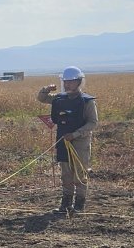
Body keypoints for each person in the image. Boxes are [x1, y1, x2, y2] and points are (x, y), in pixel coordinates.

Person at [37, 67, 97, 214]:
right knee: (65, 173)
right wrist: (46, 89)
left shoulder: (87, 102)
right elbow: (42, 98)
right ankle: (66, 203)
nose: (68, 84)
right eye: (66, 81)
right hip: (63, 141)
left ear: (79, 82)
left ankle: (79, 204)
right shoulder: (59, 98)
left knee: (79, 173)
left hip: (80, 143)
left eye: (71, 81)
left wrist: (76, 134)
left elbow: (93, 123)